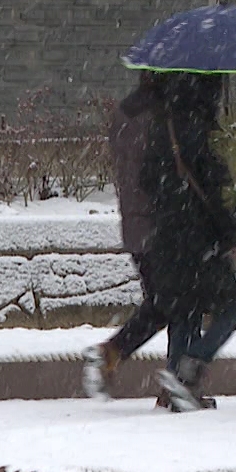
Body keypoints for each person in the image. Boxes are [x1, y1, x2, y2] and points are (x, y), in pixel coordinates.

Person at [140, 70, 236, 412]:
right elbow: (220, 193)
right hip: (202, 241)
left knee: (184, 312)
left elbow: (145, 180)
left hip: (166, 239)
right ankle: (188, 371)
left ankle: (174, 388)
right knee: (230, 308)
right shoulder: (205, 131)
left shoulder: (161, 127)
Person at [81, 72, 168, 400]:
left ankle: (113, 354)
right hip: (159, 224)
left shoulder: (126, 114)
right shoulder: (158, 117)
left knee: (163, 303)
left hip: (135, 224)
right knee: (168, 303)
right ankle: (112, 352)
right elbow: (157, 173)